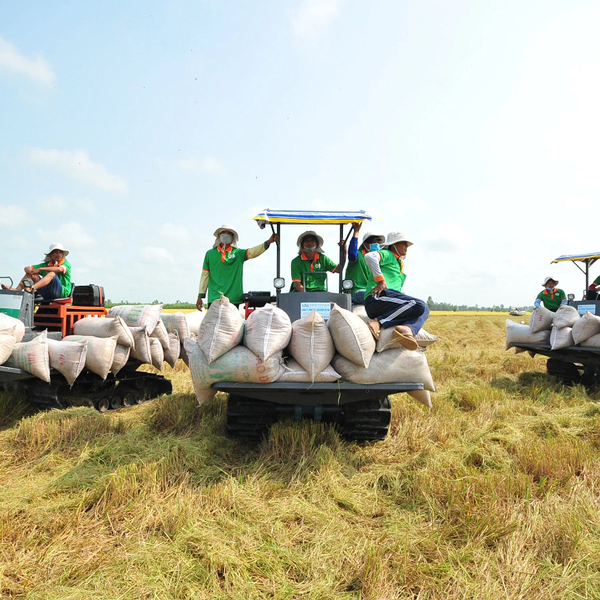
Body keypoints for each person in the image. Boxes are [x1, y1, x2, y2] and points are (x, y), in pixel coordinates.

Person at [363, 231, 429, 351]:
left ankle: (408, 329)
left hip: (389, 301)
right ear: (394, 245)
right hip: (377, 298)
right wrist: (380, 280)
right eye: (403, 243)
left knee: (425, 309)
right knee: (419, 305)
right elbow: (370, 256)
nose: (406, 247)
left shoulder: (398, 263)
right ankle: (378, 321)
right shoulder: (388, 254)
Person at [196, 224, 278, 311]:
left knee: (232, 324)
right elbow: (205, 275)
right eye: (223, 232)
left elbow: (253, 252)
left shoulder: (238, 254)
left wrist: (268, 242)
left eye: (229, 233)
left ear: (233, 237)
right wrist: (200, 295)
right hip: (214, 298)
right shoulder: (210, 254)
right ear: (219, 235)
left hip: (233, 299)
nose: (226, 234)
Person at [1, 243, 73, 300]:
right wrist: (32, 272)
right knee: (30, 275)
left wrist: (41, 269)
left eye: (60, 252)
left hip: (60, 293)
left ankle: (32, 288)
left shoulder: (65, 264)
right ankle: (16, 290)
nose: (58, 254)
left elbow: (60, 269)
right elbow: (27, 268)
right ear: (51, 254)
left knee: (52, 273)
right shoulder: (46, 264)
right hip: (47, 293)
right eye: (56, 252)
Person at [344, 222, 386, 305]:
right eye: (374, 242)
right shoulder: (359, 255)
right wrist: (356, 231)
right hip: (358, 292)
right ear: (365, 243)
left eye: (379, 243)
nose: (377, 245)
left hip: (371, 290)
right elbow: (352, 253)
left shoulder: (379, 260)